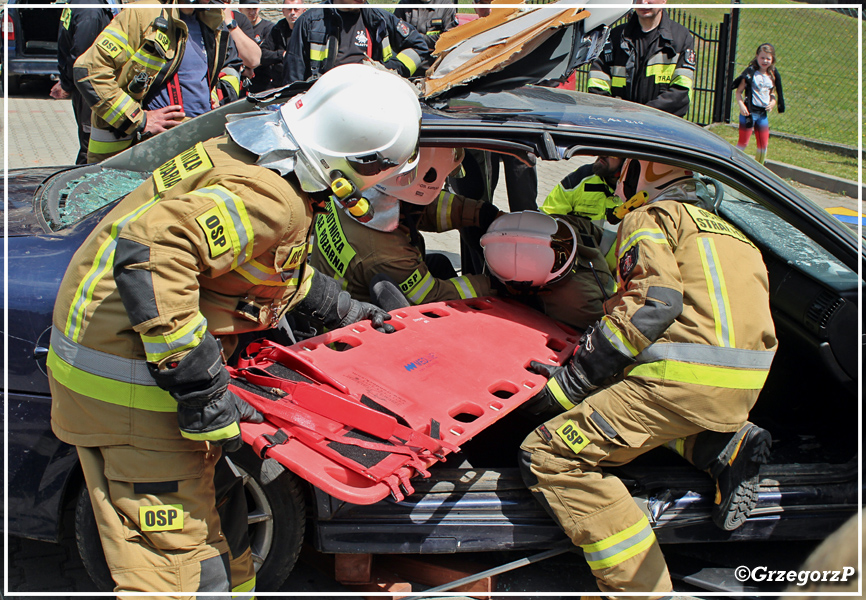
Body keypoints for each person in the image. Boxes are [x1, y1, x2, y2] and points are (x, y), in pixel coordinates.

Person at [47, 64, 422, 595]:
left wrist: (341, 309)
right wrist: (200, 384)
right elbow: (155, 248)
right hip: (133, 386)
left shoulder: (250, 151)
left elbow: (260, 265)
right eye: (384, 171)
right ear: (357, 161)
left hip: (117, 354)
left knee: (224, 521)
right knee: (179, 568)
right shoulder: (275, 197)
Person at [518, 159, 776, 594]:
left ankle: (641, 589)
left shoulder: (649, 216)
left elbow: (653, 304)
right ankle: (719, 444)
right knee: (631, 403)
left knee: (549, 456)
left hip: (680, 381)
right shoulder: (730, 232)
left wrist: (572, 381)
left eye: (622, 173)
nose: (617, 184)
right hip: (739, 391)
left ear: (645, 174)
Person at [310, 147, 500, 306]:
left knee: (440, 263)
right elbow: (431, 297)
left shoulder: (363, 189)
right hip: (354, 333)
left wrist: (482, 214)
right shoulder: (385, 253)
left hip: (348, 289)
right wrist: (494, 285)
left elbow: (422, 205)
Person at [74, 0, 244, 163]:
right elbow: (89, 70)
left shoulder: (211, 21)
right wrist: (139, 119)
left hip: (192, 147)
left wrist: (209, 95)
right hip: (138, 154)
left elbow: (196, 73)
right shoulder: (144, 14)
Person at [480, 210, 613, 332]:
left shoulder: (563, 227)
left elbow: (612, 241)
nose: (574, 260)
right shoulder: (575, 304)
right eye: (559, 262)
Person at [281, 0, 430, 86]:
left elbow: (419, 47)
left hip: (370, 105)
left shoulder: (379, 19)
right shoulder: (309, 22)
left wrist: (388, 70)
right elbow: (293, 81)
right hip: (325, 109)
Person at [588, 0, 696, 117]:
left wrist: (643, 113)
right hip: (618, 124)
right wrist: (616, 113)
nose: (644, 2)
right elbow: (597, 86)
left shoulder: (680, 38)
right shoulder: (614, 38)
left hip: (660, 126)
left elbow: (681, 94)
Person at [50, 0, 117, 165]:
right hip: (91, 88)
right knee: (91, 147)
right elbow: (82, 55)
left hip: (87, 86)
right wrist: (66, 84)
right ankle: (80, 186)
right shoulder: (91, 10)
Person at [733, 43, 785, 165]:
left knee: (763, 145)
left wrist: (773, 102)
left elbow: (772, 93)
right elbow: (738, 92)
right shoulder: (751, 73)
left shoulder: (772, 75)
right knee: (743, 143)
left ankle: (759, 169)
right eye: (762, 57)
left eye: (768, 58)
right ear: (757, 57)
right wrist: (741, 105)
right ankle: (732, 163)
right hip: (749, 114)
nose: (765, 61)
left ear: (772, 59)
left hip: (762, 115)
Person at [215, 0, 263, 88]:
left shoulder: (238, 19)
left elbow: (253, 60)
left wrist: (229, 23)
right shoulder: (194, 17)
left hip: (230, 90)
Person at [260, 0, 305, 92]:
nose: (292, 13)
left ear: (304, 11)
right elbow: (262, 53)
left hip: (303, 81)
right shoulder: (278, 28)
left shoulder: (309, 30)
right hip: (279, 82)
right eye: (289, 9)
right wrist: (282, 55)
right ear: (283, 11)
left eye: (296, 9)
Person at [237, 0, 276, 93]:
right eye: (248, 9)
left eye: (255, 8)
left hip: (263, 82)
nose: (252, 12)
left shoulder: (269, 28)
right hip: (240, 81)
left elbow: (267, 55)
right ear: (240, 9)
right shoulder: (236, 30)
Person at [393, 0, 458, 51]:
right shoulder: (404, 4)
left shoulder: (446, 7)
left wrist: (414, 38)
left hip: (435, 58)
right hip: (409, 54)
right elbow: (396, 36)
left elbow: (449, 39)